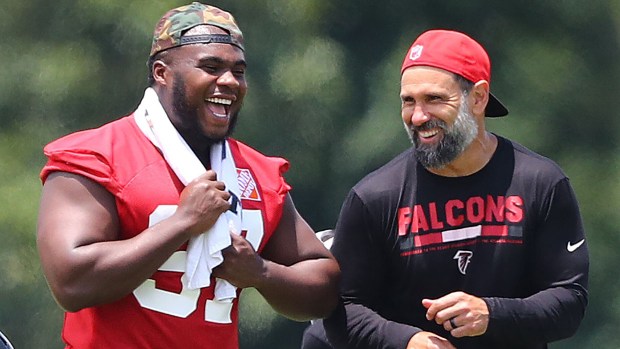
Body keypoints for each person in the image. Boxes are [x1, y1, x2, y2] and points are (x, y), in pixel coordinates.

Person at [36, 2, 340, 348]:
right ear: (162, 73)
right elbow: (71, 283)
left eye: (238, 71)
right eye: (210, 67)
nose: (228, 81)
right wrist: (183, 222)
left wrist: (261, 273)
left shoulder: (257, 173)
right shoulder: (97, 156)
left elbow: (326, 287)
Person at [302, 29, 589, 349]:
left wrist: (492, 314)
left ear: (478, 98)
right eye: (408, 101)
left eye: (435, 99)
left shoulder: (542, 183)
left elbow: (569, 301)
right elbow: (340, 312)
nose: (419, 116)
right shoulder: (374, 198)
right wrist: (407, 341)